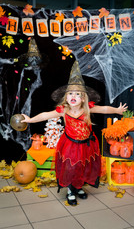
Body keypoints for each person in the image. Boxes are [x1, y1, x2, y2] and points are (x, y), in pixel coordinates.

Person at [21, 61, 128, 206]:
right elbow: (46, 115)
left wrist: (116, 111)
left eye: (77, 94)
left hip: (86, 144)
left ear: (83, 98)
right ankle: (70, 191)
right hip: (70, 144)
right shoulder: (64, 110)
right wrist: (31, 120)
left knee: (83, 166)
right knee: (71, 167)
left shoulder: (87, 109)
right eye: (70, 93)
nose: (73, 96)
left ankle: (78, 187)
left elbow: (103, 109)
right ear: (66, 97)